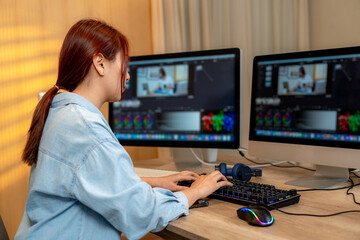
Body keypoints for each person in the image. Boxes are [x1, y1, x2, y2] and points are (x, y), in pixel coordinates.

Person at [15, 19, 232, 240]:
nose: (127, 76)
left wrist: (156, 181)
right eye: (124, 65)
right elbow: (141, 213)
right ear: (100, 63)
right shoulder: (86, 129)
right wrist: (194, 192)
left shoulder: (61, 113)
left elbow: (84, 181)